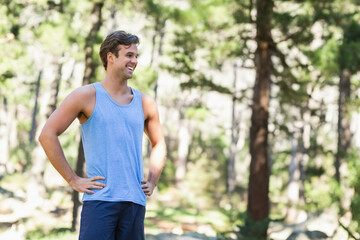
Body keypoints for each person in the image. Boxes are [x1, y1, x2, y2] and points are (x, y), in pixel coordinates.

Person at [38, 30, 166, 240]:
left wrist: (152, 180)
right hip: (99, 202)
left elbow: (159, 143)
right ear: (110, 57)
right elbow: (47, 134)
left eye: (136, 56)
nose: (134, 61)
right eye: (129, 55)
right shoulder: (85, 96)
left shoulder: (145, 103)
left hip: (134, 203)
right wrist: (73, 180)